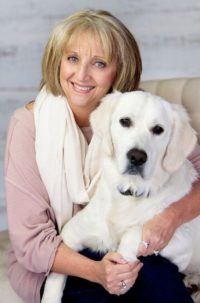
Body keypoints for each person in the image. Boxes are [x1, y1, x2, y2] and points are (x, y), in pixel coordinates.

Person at [4, 9, 200, 303]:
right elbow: (31, 244)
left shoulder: (138, 114)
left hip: (130, 248)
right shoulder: (29, 125)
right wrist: (98, 271)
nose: (81, 75)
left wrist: (168, 220)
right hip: (59, 262)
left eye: (99, 63)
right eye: (72, 58)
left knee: (156, 277)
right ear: (56, 61)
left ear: (119, 70)